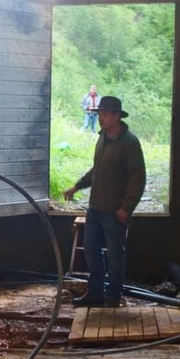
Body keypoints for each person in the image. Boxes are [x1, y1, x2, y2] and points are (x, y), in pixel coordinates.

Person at [63, 96, 146, 307]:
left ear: (117, 116)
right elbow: (96, 171)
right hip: (96, 208)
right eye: (99, 114)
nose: (100, 117)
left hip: (114, 211)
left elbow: (138, 178)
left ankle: (112, 297)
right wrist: (77, 186)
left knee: (115, 255)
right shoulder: (102, 139)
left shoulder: (129, 142)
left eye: (105, 114)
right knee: (91, 250)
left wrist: (126, 208)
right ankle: (95, 293)